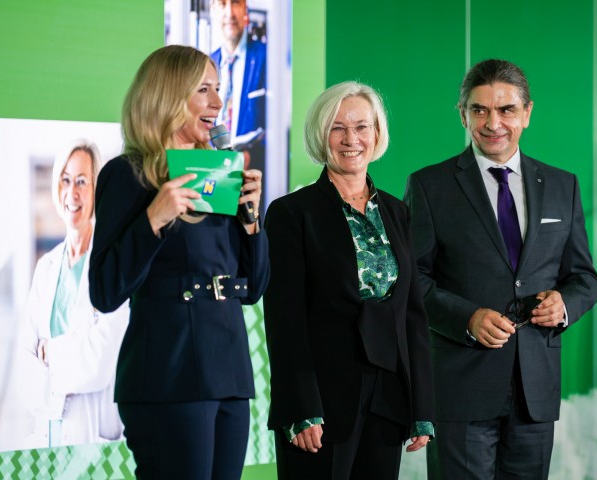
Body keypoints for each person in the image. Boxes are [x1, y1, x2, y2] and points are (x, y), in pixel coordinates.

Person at [404, 59, 597, 479]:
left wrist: (564, 305)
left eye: (507, 110)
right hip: (462, 388)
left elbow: (584, 278)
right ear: (463, 115)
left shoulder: (563, 185)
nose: (493, 123)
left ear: (527, 113)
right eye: (479, 110)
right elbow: (412, 279)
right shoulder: (429, 186)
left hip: (535, 393)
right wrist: (467, 319)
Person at [88, 45, 269, 479]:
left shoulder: (217, 174)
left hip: (230, 371)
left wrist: (251, 221)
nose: (217, 102)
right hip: (169, 373)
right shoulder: (128, 174)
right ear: (167, 95)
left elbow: (253, 288)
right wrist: (154, 218)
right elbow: (105, 292)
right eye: (203, 89)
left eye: (218, 89)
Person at [264, 81, 435, 480]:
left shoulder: (396, 211)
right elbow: (285, 319)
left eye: (361, 127)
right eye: (337, 128)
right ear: (320, 135)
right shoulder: (291, 213)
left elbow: (412, 314)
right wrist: (300, 406)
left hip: (388, 398)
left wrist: (422, 408)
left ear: (377, 134)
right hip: (321, 404)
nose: (350, 139)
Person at [18, 139, 128, 448]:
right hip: (47, 433)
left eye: (82, 181)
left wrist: (50, 353)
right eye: (66, 180)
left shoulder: (112, 263)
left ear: (96, 191)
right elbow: (24, 369)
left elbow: (99, 364)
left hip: (93, 435)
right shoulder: (46, 267)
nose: (72, 193)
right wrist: (74, 353)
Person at [210, 0, 266, 172]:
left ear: (245, 8)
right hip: (213, 174)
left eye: (235, 2)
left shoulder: (267, 58)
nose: (229, 13)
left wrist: (251, 156)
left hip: (254, 175)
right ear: (213, 10)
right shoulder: (207, 64)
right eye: (222, 4)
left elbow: (279, 129)